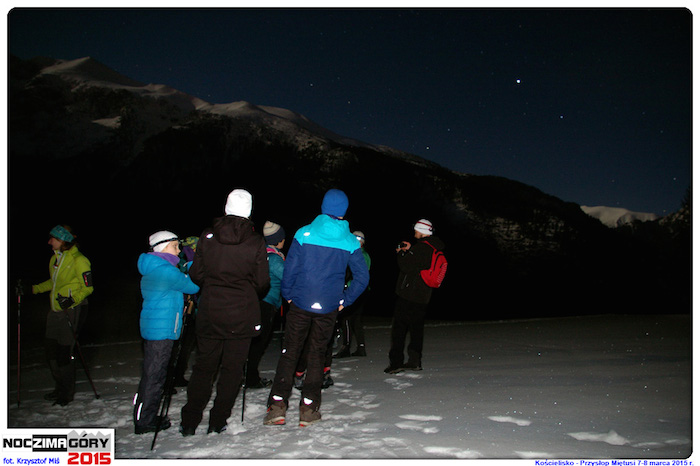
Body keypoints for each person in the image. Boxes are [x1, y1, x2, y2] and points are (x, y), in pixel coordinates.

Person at [264, 189, 369, 427]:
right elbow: (362, 278)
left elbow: (290, 269)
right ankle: (309, 409)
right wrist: (344, 300)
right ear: (343, 212)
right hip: (328, 307)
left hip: (300, 303)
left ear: (323, 207)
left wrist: (288, 295)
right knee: (317, 354)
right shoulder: (350, 241)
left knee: (290, 352)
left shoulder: (304, 233)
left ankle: (277, 407)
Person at [180, 189, 270, 436]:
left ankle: (190, 420)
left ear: (227, 207)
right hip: (241, 313)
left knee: (204, 367)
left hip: (211, 311)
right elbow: (262, 282)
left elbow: (196, 274)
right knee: (232, 369)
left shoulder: (208, 237)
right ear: (249, 211)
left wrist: (215, 283)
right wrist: (244, 288)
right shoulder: (255, 241)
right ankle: (218, 420)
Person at [133, 231, 200, 435]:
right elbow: (193, 285)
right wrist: (192, 264)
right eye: (175, 246)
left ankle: (143, 414)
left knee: (151, 374)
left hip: (155, 327)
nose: (179, 251)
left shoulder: (154, 267)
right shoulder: (165, 271)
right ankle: (146, 420)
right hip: (161, 330)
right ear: (162, 247)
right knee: (155, 376)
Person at [32, 224, 94, 407]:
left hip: (73, 310)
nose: (49, 242)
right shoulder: (55, 259)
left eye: (53, 238)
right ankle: (59, 387)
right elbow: (54, 283)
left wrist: (72, 300)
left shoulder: (79, 260)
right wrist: (33, 289)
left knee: (63, 353)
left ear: (63, 240)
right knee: (50, 350)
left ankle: (66, 394)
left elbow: (88, 288)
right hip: (55, 310)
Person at [385, 219, 445, 374]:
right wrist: (411, 250)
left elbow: (406, 266)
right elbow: (419, 263)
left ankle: (396, 363)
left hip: (408, 295)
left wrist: (401, 253)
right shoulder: (433, 247)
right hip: (423, 296)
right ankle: (414, 361)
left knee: (399, 330)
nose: (414, 232)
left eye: (416, 229)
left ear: (421, 230)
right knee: (416, 330)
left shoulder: (422, 248)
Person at [245, 221, 286, 389]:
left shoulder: (261, 255)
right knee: (259, 343)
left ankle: (247, 374)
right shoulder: (275, 259)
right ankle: (251, 378)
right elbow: (288, 278)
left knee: (254, 341)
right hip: (267, 303)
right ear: (278, 240)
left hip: (255, 302)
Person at [334, 230, 371, 358]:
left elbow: (360, 275)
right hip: (357, 290)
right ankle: (360, 347)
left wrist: (347, 284)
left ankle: (346, 347)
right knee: (355, 319)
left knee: (347, 318)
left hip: (355, 290)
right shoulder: (357, 254)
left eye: (358, 240)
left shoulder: (361, 255)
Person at [173, 236, 200, 387]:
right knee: (182, 344)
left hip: (193, 308)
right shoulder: (184, 261)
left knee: (187, 344)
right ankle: (174, 376)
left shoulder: (190, 259)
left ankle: (178, 375)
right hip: (184, 308)